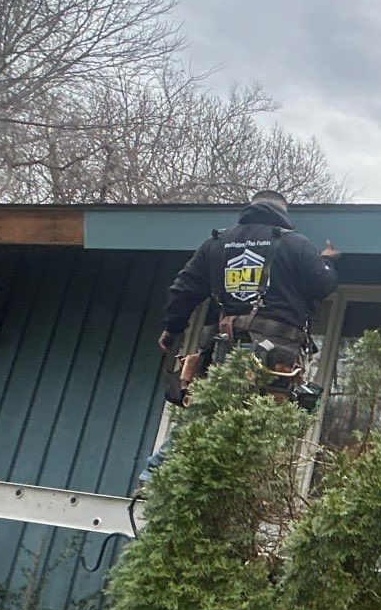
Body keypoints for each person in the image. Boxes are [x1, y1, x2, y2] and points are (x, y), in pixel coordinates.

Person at [141, 190, 340, 481]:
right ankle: (239, 490)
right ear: (283, 212)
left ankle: (155, 476)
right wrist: (327, 261)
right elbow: (323, 285)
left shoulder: (217, 243)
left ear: (251, 208)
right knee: (262, 425)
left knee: (205, 413)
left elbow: (181, 291)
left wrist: (172, 329)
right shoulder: (294, 243)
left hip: (226, 348)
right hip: (276, 356)